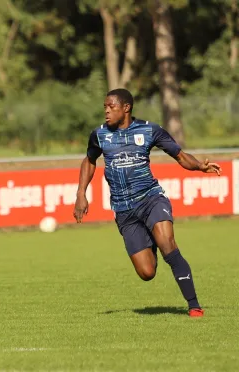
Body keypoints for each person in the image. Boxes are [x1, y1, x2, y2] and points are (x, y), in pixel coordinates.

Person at [74, 89, 221, 317]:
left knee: (168, 246)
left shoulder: (149, 130)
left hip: (151, 198)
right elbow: (89, 160)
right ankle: (151, 238)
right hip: (124, 209)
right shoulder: (99, 135)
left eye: (110, 106)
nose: (106, 111)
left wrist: (200, 166)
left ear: (126, 108)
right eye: (104, 106)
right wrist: (81, 193)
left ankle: (194, 306)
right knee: (146, 272)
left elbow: (180, 155)